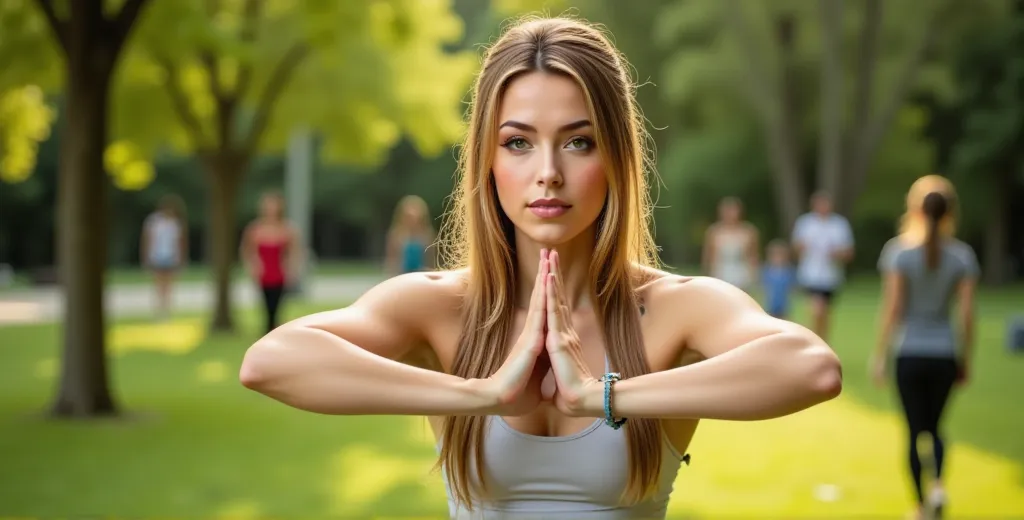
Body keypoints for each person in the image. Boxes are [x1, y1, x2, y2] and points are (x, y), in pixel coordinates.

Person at [239, 17, 842, 518]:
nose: (547, 171)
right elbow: (271, 361)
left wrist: (602, 396)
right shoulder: (439, 308)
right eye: (519, 142)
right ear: (487, 158)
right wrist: (482, 393)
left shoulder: (671, 310)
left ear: (615, 157)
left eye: (578, 141)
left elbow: (811, 368)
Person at [871, 175, 978, 520]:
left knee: (914, 432)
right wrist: (965, 358)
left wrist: (880, 355)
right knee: (936, 428)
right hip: (944, 353)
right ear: (950, 212)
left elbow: (893, 310)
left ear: (914, 209)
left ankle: (919, 506)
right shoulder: (961, 257)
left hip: (910, 353)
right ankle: (939, 486)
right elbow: (966, 316)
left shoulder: (899, 253)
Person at [791, 191, 854, 341]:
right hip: (810, 274)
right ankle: (812, 339)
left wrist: (836, 254)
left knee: (825, 313)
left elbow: (849, 252)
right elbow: (796, 247)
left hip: (830, 275)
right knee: (816, 310)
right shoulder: (805, 223)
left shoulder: (839, 224)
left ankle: (822, 340)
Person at [240, 191, 302, 334]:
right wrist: (252, 266)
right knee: (265, 305)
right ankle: (268, 331)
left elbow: (294, 251)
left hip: (279, 272)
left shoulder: (287, 228)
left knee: (277, 305)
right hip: (263, 272)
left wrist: (292, 269)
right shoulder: (255, 229)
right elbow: (247, 250)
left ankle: (275, 331)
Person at [140, 194, 188, 320]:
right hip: (156, 256)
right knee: (158, 284)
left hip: (171, 256)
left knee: (169, 285)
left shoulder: (175, 223)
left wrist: (181, 258)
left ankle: (166, 310)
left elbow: (180, 242)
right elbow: (148, 240)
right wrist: (146, 257)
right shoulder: (154, 222)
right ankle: (158, 310)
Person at [701, 197, 759, 292]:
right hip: (721, 272)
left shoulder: (748, 231)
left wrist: (754, 276)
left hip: (741, 273)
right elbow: (708, 257)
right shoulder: (714, 232)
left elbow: (753, 256)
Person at [384, 195, 436, 276]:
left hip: (421, 275)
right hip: (402, 275)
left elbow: (431, 260)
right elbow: (391, 261)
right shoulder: (397, 234)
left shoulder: (427, 235)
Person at [761, 239, 797, 320]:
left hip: (784, 304)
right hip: (771, 304)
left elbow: (792, 289)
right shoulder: (767, 271)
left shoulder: (789, 271)